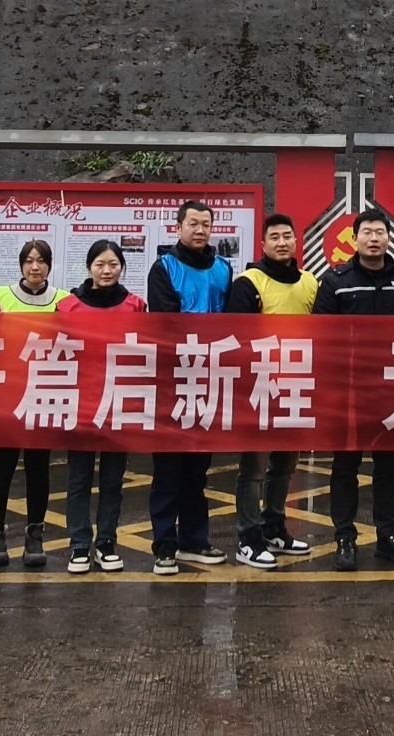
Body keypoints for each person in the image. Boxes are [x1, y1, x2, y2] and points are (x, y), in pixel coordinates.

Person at [312, 208, 394, 571]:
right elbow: (321, 335)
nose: (373, 238)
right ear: (355, 238)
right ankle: (344, 537)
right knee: (345, 465)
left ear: (390, 238)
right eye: (367, 232)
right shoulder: (336, 281)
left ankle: (388, 536)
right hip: (348, 391)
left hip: (392, 391)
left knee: (389, 466)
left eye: (380, 232)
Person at [144, 201, 233, 576]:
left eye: (205, 224)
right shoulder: (164, 268)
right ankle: (165, 544)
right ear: (178, 227)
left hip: (209, 378)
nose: (200, 230)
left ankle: (195, 540)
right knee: (168, 468)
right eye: (193, 223)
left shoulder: (224, 268)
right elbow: (165, 321)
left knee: (198, 468)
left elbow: (233, 322)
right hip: (172, 379)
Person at [224, 213, 317, 569]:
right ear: (262, 244)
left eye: (287, 236)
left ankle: (274, 527)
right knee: (254, 468)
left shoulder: (310, 282)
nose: (282, 242)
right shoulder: (249, 282)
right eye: (274, 237)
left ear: (296, 241)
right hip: (259, 386)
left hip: (296, 384)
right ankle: (248, 538)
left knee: (286, 464)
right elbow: (236, 336)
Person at [58, 239, 147, 574]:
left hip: (118, 401)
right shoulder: (68, 307)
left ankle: (107, 543)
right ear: (89, 267)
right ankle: (79, 545)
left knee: (113, 480)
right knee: (79, 479)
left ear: (121, 267)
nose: (107, 271)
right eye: (100, 264)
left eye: (113, 264)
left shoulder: (136, 306)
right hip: (80, 403)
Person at [0, 239, 70, 568]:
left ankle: (35, 534)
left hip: (43, 393)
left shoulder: (64, 301)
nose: (35, 267)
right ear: (20, 265)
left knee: (38, 468)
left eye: (42, 261)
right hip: (5, 396)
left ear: (50, 265)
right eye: (29, 260)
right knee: (1, 468)